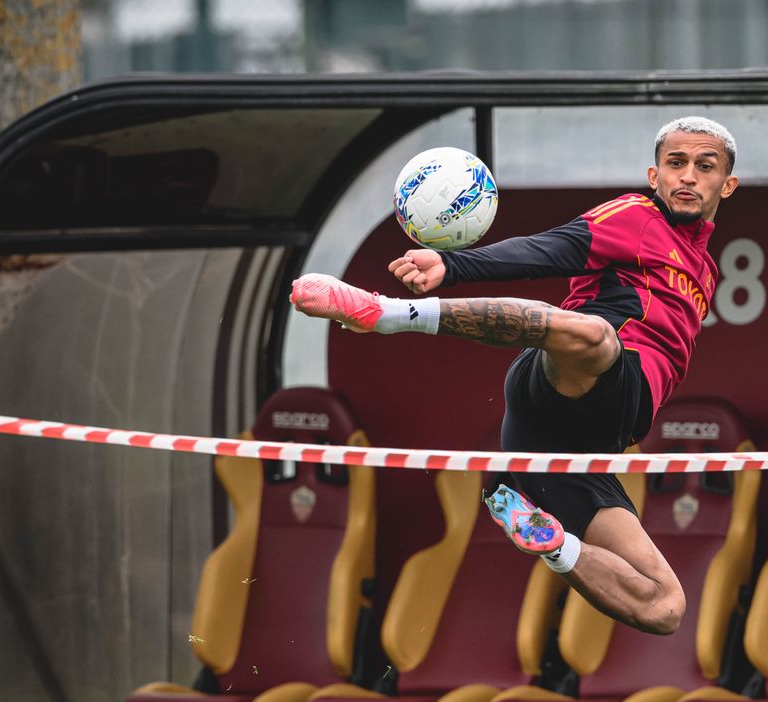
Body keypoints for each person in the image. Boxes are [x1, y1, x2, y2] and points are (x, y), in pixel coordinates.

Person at [291, 116, 738, 637]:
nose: (687, 176)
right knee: (596, 338)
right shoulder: (637, 216)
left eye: (704, 167)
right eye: (675, 164)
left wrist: (561, 546)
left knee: (665, 608)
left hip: (589, 446)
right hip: (572, 381)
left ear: (726, 185)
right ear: (653, 175)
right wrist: (451, 266)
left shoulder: (705, 268)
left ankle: (552, 543)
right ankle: (386, 314)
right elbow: (550, 248)